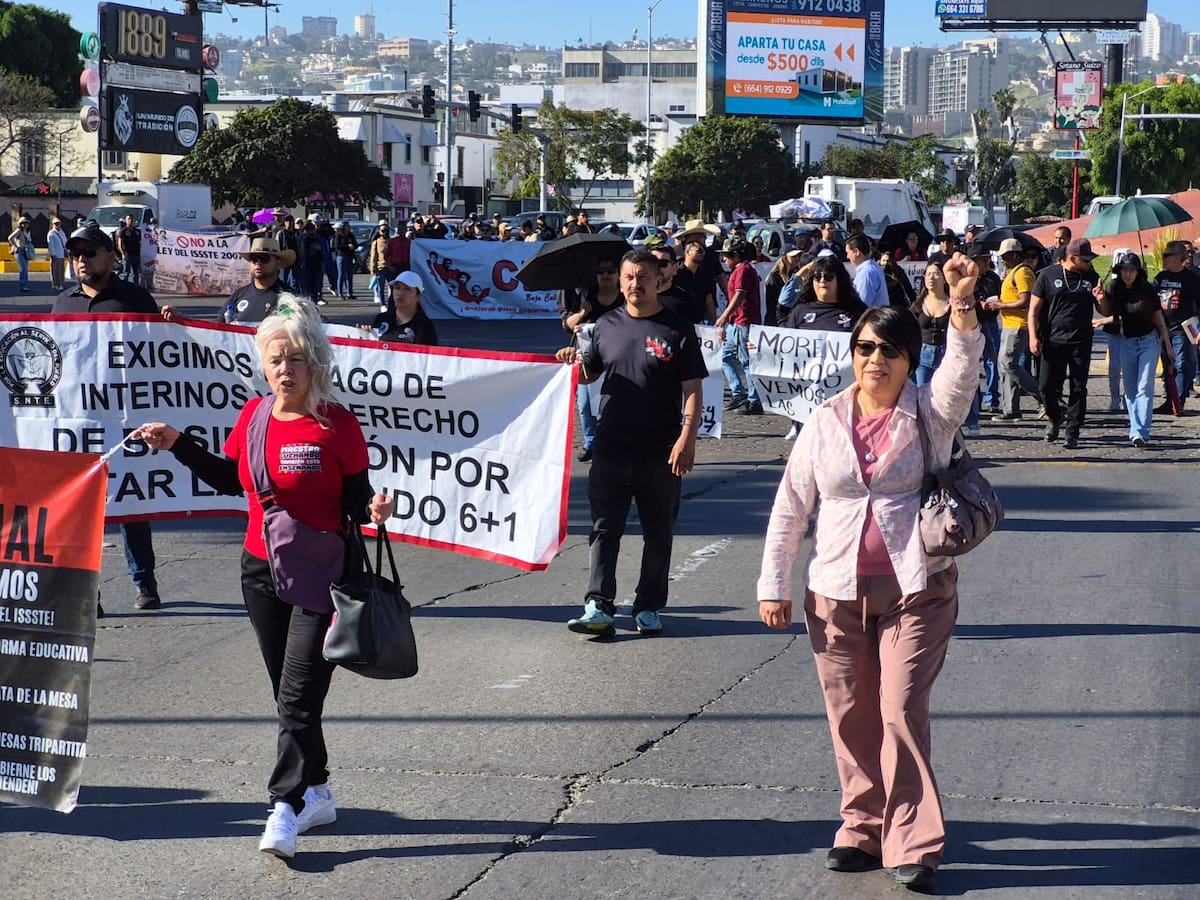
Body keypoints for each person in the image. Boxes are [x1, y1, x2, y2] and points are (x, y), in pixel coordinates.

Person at [133, 296, 395, 859]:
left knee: (298, 696)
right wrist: (178, 444)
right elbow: (232, 480)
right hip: (260, 570)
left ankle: (283, 806)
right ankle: (318, 790)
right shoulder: (253, 417)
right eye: (275, 359)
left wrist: (375, 507)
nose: (284, 369)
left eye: (295, 359)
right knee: (288, 695)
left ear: (315, 364)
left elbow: (356, 496)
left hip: (323, 574)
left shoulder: (336, 423)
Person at [758, 266, 984, 897]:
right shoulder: (823, 420)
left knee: (899, 711)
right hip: (833, 593)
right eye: (865, 347)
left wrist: (961, 311)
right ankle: (861, 826)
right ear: (851, 354)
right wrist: (773, 582)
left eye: (890, 349)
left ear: (909, 359)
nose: (875, 359)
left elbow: (960, 376)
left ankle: (912, 840)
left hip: (917, 589)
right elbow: (791, 505)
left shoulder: (927, 415)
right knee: (851, 715)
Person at [554, 249, 707, 637]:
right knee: (605, 529)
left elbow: (692, 388)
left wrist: (687, 437)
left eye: (643, 277)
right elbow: (590, 374)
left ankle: (648, 606)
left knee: (659, 531)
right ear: (619, 283)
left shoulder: (678, 328)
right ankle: (598, 604)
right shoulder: (605, 324)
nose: (635, 284)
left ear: (658, 280)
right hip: (611, 446)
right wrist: (575, 360)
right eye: (628, 278)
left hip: (661, 448)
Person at [52, 225, 162, 615]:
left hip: (127, 418)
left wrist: (171, 324)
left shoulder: (134, 299)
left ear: (110, 257)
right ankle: (88, 594)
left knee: (131, 502)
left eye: (90, 252)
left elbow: (165, 356)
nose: (81, 260)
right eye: (75, 254)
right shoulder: (63, 304)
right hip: (80, 423)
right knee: (84, 512)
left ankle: (144, 583)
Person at [777, 253, 867, 440]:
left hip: (846, 400)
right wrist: (758, 349)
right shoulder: (800, 311)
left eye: (828, 276)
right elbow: (783, 346)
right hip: (808, 401)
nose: (822, 281)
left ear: (839, 280)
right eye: (817, 277)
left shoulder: (857, 311)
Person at [1028, 238, 1103, 449]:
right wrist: (1033, 337)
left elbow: (1105, 310)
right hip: (1053, 340)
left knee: (1078, 388)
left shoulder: (1091, 277)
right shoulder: (1047, 276)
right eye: (1085, 260)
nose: (1089, 264)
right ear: (1072, 258)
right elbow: (1033, 310)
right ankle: (1055, 416)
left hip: (1081, 340)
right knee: (1046, 387)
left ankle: (1072, 431)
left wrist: (1101, 297)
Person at [1099, 252, 1173, 447]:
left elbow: (1159, 319)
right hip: (1127, 341)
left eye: (1132, 270)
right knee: (1131, 390)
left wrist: (1167, 344)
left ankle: (1139, 432)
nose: (1128, 274)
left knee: (1144, 387)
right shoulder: (1114, 288)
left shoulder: (1147, 289)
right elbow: (1109, 313)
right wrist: (1100, 298)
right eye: (1124, 270)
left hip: (1149, 340)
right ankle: (1135, 426)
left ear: (1138, 272)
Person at [560, 255, 625, 462]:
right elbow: (567, 324)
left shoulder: (625, 298)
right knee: (585, 405)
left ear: (618, 275)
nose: (605, 275)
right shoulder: (585, 296)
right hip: (587, 358)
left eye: (610, 271)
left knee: (615, 402)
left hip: (619, 357)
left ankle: (614, 440)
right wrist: (581, 314)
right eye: (600, 272)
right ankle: (590, 442)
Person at [993, 238, 1043, 420]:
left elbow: (1026, 301)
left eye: (1004, 256)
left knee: (1009, 364)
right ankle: (1010, 409)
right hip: (1008, 325)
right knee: (1004, 366)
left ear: (1014, 255)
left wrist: (1001, 305)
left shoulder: (1023, 273)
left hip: (1019, 326)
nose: (1002, 260)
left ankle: (1044, 398)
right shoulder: (1012, 272)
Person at [715, 237, 763, 415]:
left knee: (747, 362)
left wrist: (725, 315)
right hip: (737, 322)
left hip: (744, 321)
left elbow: (739, 296)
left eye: (726, 256)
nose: (724, 260)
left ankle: (754, 400)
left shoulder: (743, 270)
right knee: (724, 356)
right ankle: (739, 392)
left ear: (735, 254)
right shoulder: (739, 269)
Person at [1152, 240, 1200, 415]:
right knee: (1167, 366)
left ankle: (1178, 402)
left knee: (1180, 364)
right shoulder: (1160, 278)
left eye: (1167, 255)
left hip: (1183, 328)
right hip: (1163, 328)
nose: (1164, 258)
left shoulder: (1192, 279)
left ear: (1179, 258)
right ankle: (1170, 399)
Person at [208, 237, 295, 325]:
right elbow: (218, 328)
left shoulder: (288, 297)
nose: (258, 263)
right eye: (253, 259)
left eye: (264, 258)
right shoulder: (239, 294)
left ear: (277, 263)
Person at [360, 271, 438, 345]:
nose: (400, 293)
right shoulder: (382, 318)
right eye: (397, 288)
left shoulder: (424, 326)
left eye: (407, 289)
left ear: (418, 296)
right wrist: (366, 336)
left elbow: (428, 357)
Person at [847, 234, 888, 309]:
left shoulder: (866, 273)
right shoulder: (874, 268)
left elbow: (861, 305)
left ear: (856, 252)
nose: (847, 256)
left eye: (848, 252)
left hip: (872, 318)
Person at [764, 250, 802, 327]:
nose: (797, 258)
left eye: (798, 256)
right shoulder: (774, 276)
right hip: (775, 322)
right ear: (785, 258)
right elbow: (776, 303)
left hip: (791, 320)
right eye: (793, 256)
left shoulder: (795, 275)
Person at [297, 221, 328, 306]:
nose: (311, 232)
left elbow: (325, 253)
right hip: (306, 267)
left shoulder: (320, 240)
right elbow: (301, 254)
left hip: (317, 267)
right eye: (308, 230)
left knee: (316, 291)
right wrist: (303, 241)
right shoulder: (303, 240)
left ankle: (315, 309)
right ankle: (308, 310)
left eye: (312, 229)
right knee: (306, 292)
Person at [8, 215, 35, 292]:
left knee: (25, 269)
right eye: (23, 223)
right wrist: (16, 245)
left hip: (26, 251)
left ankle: (25, 285)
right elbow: (10, 237)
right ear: (20, 224)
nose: (25, 224)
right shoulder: (19, 231)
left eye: (26, 223)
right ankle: (23, 285)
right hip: (19, 251)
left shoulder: (27, 232)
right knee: (23, 269)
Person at [368, 223, 391, 311]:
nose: (385, 232)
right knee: (380, 288)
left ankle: (391, 303)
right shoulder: (376, 242)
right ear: (379, 232)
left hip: (390, 267)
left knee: (392, 287)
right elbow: (373, 256)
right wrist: (372, 268)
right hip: (380, 267)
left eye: (386, 230)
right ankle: (382, 304)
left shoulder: (391, 241)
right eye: (383, 230)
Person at [332, 221, 358, 299]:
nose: (348, 228)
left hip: (350, 257)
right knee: (341, 275)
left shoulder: (351, 235)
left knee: (349, 276)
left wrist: (353, 246)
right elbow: (337, 246)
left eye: (349, 226)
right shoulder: (338, 235)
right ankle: (340, 293)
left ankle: (349, 293)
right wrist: (347, 246)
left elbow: (356, 245)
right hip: (341, 257)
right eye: (347, 226)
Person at [116, 214, 142, 283]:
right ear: (126, 220)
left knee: (136, 274)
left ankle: (136, 290)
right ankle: (124, 289)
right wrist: (123, 254)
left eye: (132, 219)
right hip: (128, 255)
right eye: (129, 219)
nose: (130, 220)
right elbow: (120, 244)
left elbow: (140, 242)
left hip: (136, 255)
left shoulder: (137, 231)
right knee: (126, 273)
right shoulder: (123, 231)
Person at [47, 217, 68, 291]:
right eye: (56, 224)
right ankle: (55, 284)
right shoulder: (51, 233)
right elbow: (50, 244)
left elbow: (65, 242)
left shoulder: (62, 232)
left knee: (61, 270)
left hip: (61, 254)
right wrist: (53, 254)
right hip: (55, 255)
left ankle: (60, 284)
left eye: (58, 223)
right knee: (54, 270)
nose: (57, 225)